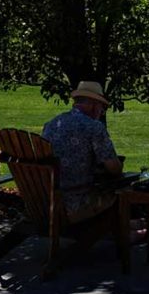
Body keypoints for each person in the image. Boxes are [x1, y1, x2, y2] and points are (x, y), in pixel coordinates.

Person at [42, 81, 124, 224]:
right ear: (94, 106)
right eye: (101, 108)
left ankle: (127, 228)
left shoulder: (52, 123)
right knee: (117, 194)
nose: (101, 112)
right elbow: (114, 168)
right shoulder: (94, 127)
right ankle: (124, 234)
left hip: (46, 201)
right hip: (74, 203)